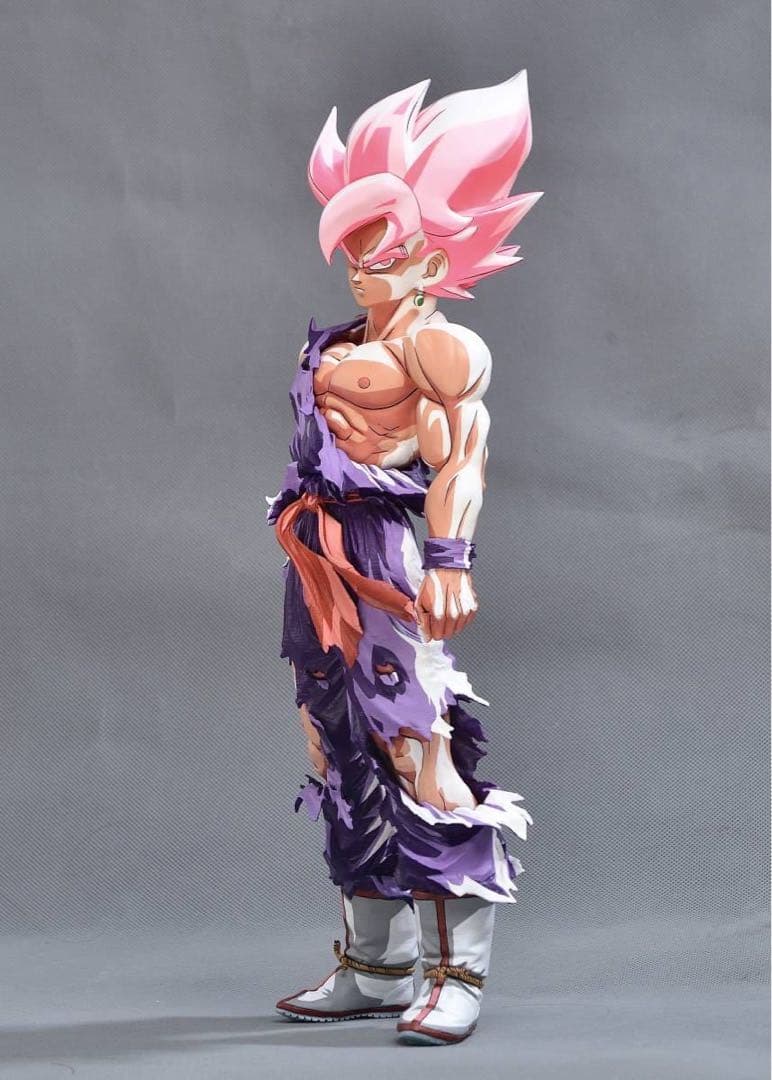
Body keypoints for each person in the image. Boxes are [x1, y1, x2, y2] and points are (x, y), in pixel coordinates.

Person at [267, 71, 541, 1046]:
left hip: (385, 560)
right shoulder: (337, 343)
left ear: (429, 255)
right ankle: (375, 967)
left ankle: (456, 972)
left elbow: (461, 457)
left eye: (378, 252)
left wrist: (451, 560)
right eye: (353, 252)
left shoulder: (441, 351)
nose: (359, 270)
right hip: (315, 563)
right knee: (335, 749)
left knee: (415, 745)